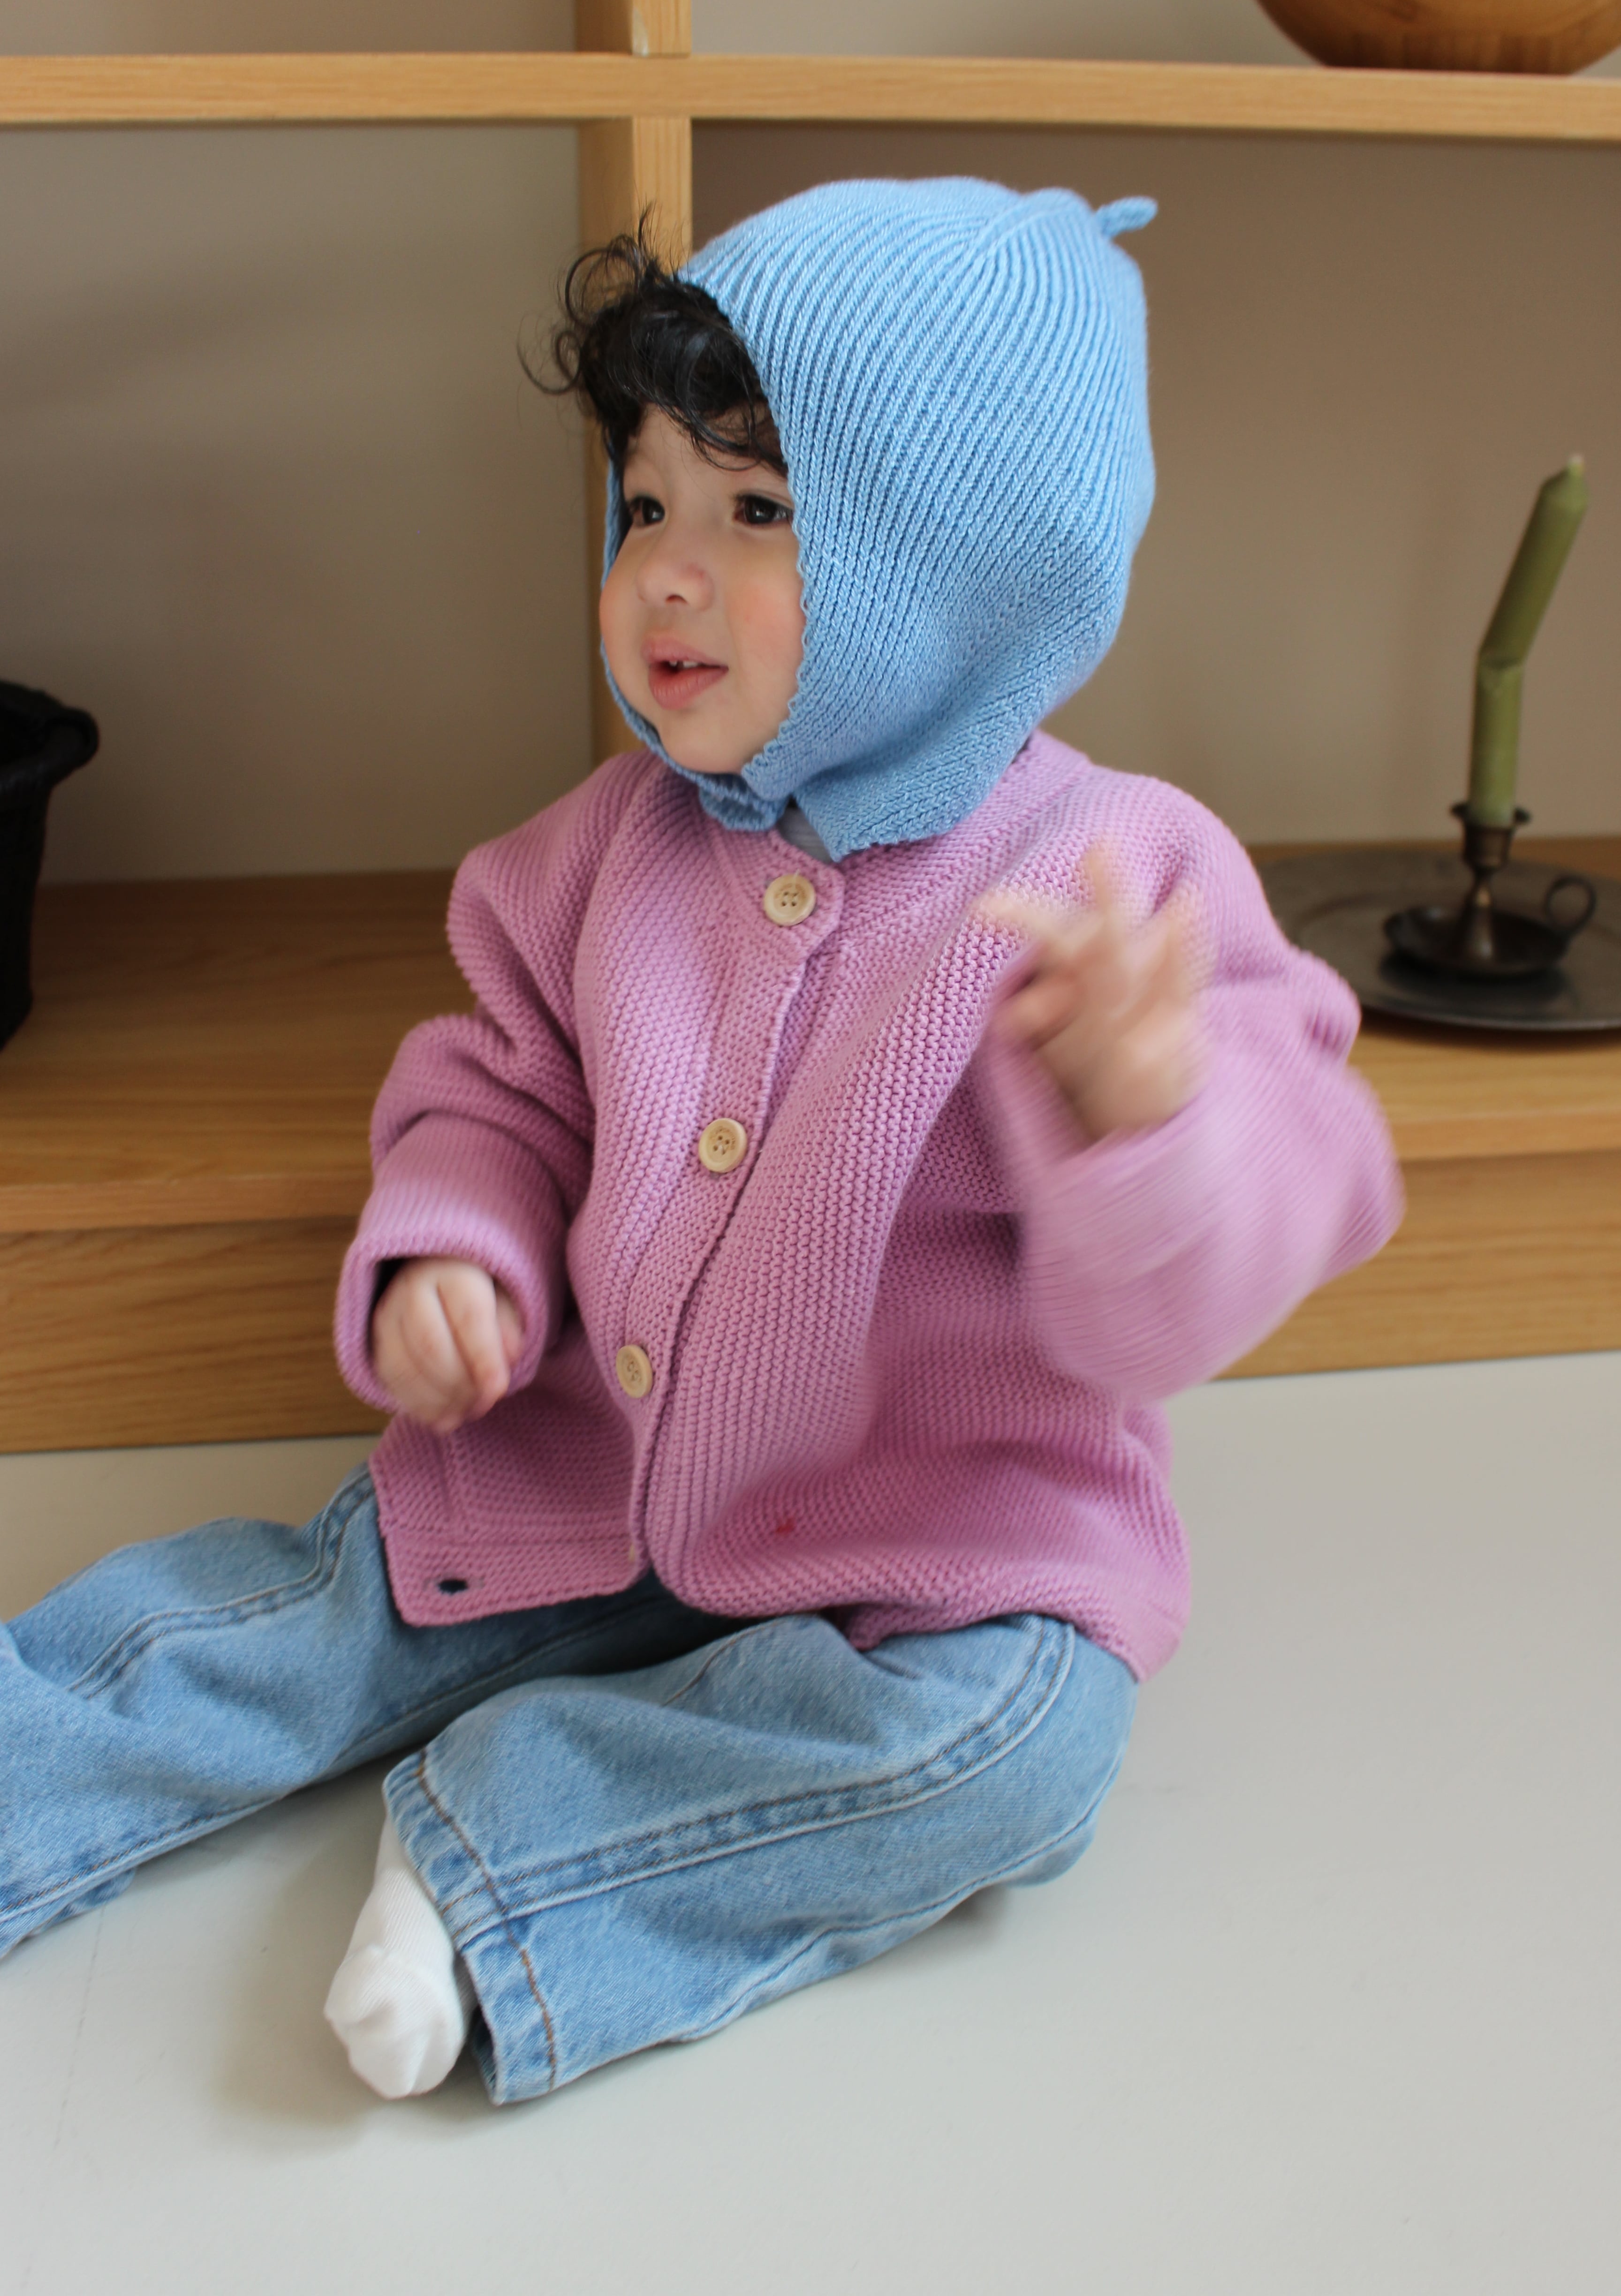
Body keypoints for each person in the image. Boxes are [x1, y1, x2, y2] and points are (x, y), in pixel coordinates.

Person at [0, 179, 1401, 2108]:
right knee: (301, 1617)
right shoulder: (598, 854)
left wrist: (1146, 1113)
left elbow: (1281, 1193)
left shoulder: (1118, 883)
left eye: (755, 513)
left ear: (962, 565)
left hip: (937, 1540)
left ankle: (516, 1847)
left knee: (1022, 1748)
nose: (666, 571)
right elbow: (496, 1092)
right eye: (644, 502)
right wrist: (455, 1249)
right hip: (589, 1459)